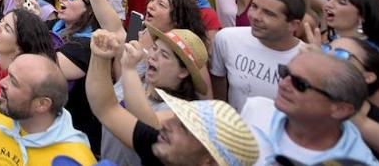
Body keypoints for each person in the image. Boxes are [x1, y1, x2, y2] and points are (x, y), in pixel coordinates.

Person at [86, 30, 261, 166]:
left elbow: (147, 120)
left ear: (208, 162)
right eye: (155, 49)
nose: (166, 124)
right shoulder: (162, 148)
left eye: (183, 127)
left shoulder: (165, 143)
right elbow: (106, 108)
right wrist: (99, 56)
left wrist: (129, 68)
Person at [239, 51, 379, 165]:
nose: (282, 84)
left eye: (299, 83)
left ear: (340, 109)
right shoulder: (256, 110)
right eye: (285, 72)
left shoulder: (360, 162)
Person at [0, 52, 96, 166]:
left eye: (13, 81)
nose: (1, 82)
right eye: (8, 74)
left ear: (42, 104)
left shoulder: (74, 159)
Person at [210, 0, 306, 110]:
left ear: (293, 25)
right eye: (254, 6)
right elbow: (218, 92)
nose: (255, 16)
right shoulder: (227, 38)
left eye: (268, 13)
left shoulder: (307, 61)